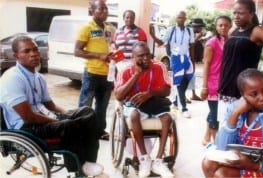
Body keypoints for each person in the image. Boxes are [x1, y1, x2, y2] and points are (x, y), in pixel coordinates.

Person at [0, 36, 104, 177]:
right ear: (16, 56)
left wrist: (69, 114)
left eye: (35, 49)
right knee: (68, 125)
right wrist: (61, 121)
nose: (34, 53)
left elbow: (51, 105)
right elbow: (29, 117)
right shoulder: (12, 78)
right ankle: (77, 169)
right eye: (27, 51)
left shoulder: (38, 77)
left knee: (87, 113)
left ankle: (88, 163)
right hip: (25, 127)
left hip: (42, 117)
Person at [202, 68, 263, 177]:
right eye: (254, 94)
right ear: (243, 95)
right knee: (207, 163)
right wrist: (234, 115)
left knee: (222, 175)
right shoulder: (234, 109)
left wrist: (255, 165)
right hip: (242, 163)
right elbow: (221, 147)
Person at [217, 0, 263, 124]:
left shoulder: (257, 31)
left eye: (241, 13)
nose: (236, 16)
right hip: (226, 89)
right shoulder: (232, 31)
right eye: (234, 13)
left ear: (251, 13)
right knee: (225, 126)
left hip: (244, 90)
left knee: (239, 127)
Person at [114, 42, 174, 178]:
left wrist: (150, 94)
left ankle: (158, 161)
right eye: (141, 56)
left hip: (154, 102)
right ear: (133, 57)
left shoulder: (159, 66)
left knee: (167, 118)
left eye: (148, 54)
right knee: (134, 115)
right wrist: (136, 75)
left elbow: (167, 90)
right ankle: (144, 159)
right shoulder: (125, 70)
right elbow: (118, 95)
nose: (146, 58)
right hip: (133, 104)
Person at [74, 0, 115, 140]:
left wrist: (113, 54)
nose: (105, 11)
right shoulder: (87, 27)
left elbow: (111, 46)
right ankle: (80, 131)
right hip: (92, 73)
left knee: (102, 106)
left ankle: (99, 131)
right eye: (101, 9)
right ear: (92, 10)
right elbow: (77, 51)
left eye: (106, 9)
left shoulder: (110, 28)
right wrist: (99, 56)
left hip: (108, 74)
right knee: (85, 104)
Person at [150, 11, 195, 118]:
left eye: (182, 18)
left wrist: (192, 60)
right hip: (175, 59)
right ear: (176, 18)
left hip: (186, 59)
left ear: (185, 19)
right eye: (178, 17)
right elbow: (161, 43)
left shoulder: (189, 31)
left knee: (185, 80)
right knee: (179, 82)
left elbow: (192, 45)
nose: (180, 19)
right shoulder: (171, 30)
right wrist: (152, 35)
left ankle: (175, 102)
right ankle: (183, 108)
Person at [200, 16, 232, 145]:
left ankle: (206, 137)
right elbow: (206, 64)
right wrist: (204, 86)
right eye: (220, 25)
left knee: (217, 112)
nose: (223, 27)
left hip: (226, 83)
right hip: (213, 83)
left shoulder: (230, 41)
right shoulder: (212, 43)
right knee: (215, 114)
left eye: (226, 25)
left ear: (230, 26)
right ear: (216, 26)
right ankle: (215, 144)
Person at [188, 18, 206, 101]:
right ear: (194, 27)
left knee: (192, 77)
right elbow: (188, 46)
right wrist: (197, 38)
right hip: (186, 59)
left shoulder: (194, 34)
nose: (200, 29)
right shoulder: (187, 33)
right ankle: (181, 97)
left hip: (192, 59)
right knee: (184, 78)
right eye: (199, 27)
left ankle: (193, 94)